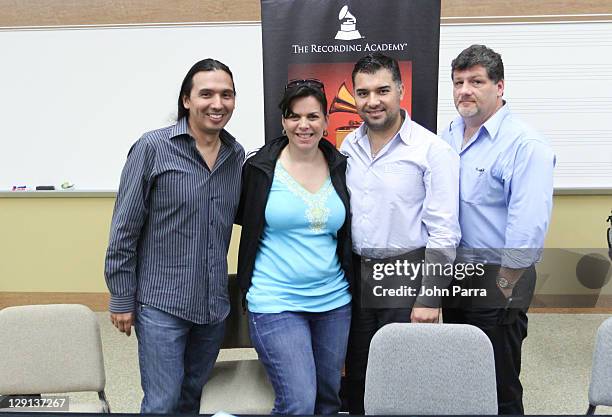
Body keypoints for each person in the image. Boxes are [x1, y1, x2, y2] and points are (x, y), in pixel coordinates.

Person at [104, 58, 244, 414]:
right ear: (186, 100)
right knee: (162, 402)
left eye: (226, 94)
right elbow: (124, 229)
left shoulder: (235, 155)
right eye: (207, 93)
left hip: (213, 306)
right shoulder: (152, 148)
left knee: (192, 397)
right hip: (162, 304)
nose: (217, 103)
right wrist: (121, 296)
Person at [340, 53, 461, 414]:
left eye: (382, 90)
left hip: (406, 276)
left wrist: (430, 298)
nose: (372, 101)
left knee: (402, 380)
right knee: (359, 375)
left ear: (401, 90)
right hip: (356, 275)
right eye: (363, 93)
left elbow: (444, 233)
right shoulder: (349, 146)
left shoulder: (432, 150)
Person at [440, 44, 555, 415]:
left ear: (500, 86)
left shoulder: (525, 145)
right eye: (458, 82)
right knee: (462, 373)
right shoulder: (449, 135)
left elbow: (528, 226)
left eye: (476, 81)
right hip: (458, 274)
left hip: (500, 276)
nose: (464, 91)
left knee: (498, 381)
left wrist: (504, 285)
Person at [236, 79, 352, 415]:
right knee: (299, 402)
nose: (304, 125)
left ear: (326, 120)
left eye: (313, 116)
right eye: (295, 116)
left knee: (329, 400)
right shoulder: (259, 169)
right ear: (283, 120)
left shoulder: (340, 166)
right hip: (276, 301)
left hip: (333, 303)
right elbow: (243, 218)